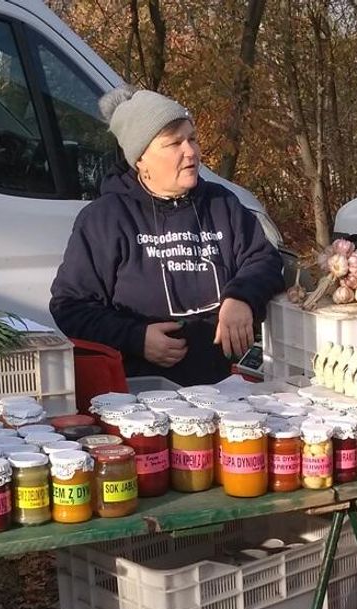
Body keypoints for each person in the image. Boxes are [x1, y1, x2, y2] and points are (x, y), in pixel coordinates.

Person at [50, 86, 284, 387]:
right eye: (174, 143)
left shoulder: (221, 204)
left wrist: (241, 296)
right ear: (141, 159)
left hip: (223, 392)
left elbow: (264, 260)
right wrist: (135, 337)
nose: (191, 152)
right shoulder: (105, 219)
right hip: (138, 396)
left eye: (193, 139)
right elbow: (69, 306)